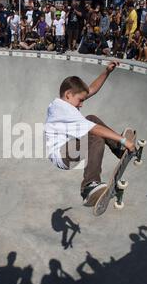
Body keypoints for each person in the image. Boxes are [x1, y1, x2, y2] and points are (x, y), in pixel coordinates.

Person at [44, 62, 135, 206]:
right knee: (95, 137)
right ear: (68, 95)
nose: (81, 105)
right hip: (62, 155)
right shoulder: (63, 110)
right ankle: (89, 186)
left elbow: (91, 89)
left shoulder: (64, 103)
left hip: (68, 150)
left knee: (91, 117)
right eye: (80, 101)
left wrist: (106, 72)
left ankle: (118, 149)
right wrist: (123, 140)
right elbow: (94, 129)